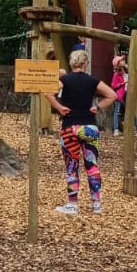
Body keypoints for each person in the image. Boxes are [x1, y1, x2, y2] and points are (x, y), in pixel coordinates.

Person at [48, 48, 115, 216]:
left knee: (72, 166)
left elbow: (48, 93)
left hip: (70, 126)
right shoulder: (93, 81)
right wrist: (97, 107)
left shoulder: (64, 80)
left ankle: (72, 204)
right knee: (92, 165)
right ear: (85, 64)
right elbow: (112, 95)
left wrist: (59, 107)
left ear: (72, 63)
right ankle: (96, 204)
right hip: (90, 127)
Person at [111, 53, 137, 137]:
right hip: (119, 95)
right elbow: (113, 85)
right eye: (121, 60)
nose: (124, 61)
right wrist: (122, 83)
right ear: (118, 64)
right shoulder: (116, 74)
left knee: (132, 111)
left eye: (123, 60)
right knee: (117, 112)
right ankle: (116, 130)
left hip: (128, 94)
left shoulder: (127, 70)